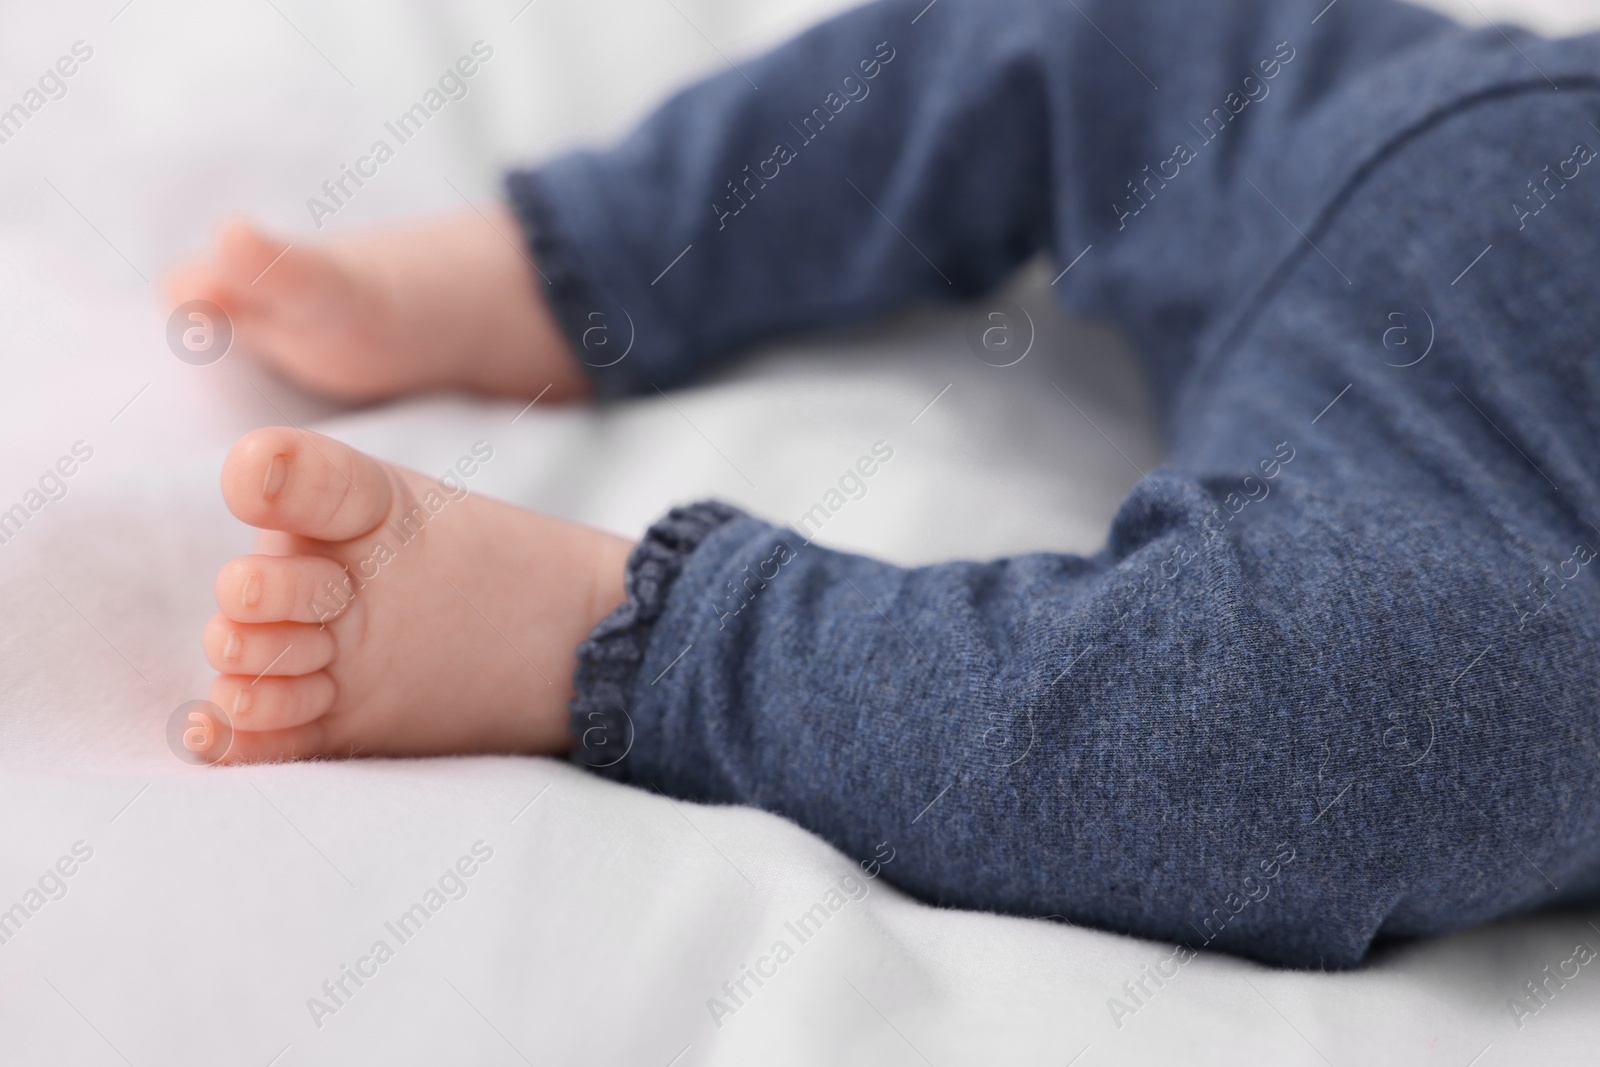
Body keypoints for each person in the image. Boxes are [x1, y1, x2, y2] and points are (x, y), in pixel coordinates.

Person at [166, 0, 1600, 968]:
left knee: (1374, 727)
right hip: (1445, 107)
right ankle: (593, 255)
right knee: (1083, 24)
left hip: (1506, 488)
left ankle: (642, 639)